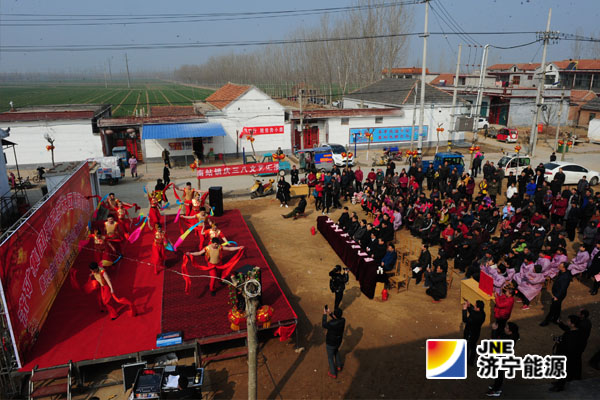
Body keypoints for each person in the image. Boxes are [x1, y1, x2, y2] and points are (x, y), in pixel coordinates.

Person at [550, 315, 585, 392]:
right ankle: (559, 383)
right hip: (568, 356)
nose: (567, 321)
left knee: (563, 370)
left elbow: (568, 347)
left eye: (569, 321)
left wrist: (559, 342)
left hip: (566, 356)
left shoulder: (572, 336)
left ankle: (559, 386)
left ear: (573, 324)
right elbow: (566, 329)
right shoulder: (575, 331)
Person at [486, 322, 519, 397]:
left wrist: (494, 330)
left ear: (510, 331)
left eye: (507, 328)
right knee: (498, 374)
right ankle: (496, 386)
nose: (505, 328)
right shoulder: (510, 335)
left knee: (499, 374)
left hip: (502, 357)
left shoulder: (509, 340)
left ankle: (496, 390)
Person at [322, 306, 345, 379]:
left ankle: (333, 373)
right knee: (336, 351)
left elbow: (324, 324)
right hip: (338, 341)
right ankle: (339, 366)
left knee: (330, 357)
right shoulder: (343, 320)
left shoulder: (331, 323)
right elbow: (337, 319)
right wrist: (330, 313)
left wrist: (325, 314)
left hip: (331, 342)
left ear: (335, 315)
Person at [463, 300, 485, 365]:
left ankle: (465, 360)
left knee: (467, 347)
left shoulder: (474, 316)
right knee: (473, 346)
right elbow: (473, 312)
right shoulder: (483, 313)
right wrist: (469, 306)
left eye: (475, 305)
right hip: (476, 333)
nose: (474, 306)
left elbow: (465, 319)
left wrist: (464, 309)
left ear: (478, 308)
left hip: (470, 334)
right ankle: (471, 361)